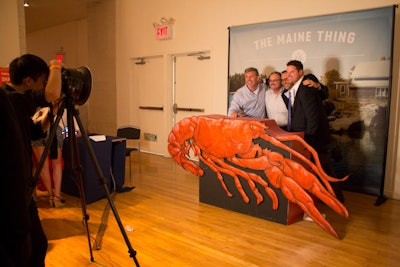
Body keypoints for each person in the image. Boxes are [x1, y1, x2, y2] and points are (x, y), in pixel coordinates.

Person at [0, 54, 62, 266]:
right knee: (24, 250)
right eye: (42, 80)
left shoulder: (15, 104)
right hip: (11, 195)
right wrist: (56, 65)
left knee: (38, 244)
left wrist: (53, 112)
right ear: (28, 81)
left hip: (23, 191)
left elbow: (35, 131)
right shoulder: (9, 99)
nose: (43, 85)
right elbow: (51, 93)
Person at [284, 60, 344, 202]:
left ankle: (338, 199)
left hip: (314, 139)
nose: (289, 74)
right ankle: (326, 198)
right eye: (287, 71)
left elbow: (313, 117)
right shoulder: (297, 88)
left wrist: (309, 140)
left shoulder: (306, 86)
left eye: (292, 71)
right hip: (306, 137)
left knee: (325, 169)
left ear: (300, 72)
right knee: (319, 170)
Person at [32, 108, 81, 208]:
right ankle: (56, 197)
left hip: (36, 128)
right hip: (54, 128)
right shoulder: (65, 107)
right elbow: (78, 132)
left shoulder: (37, 103)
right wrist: (65, 135)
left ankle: (50, 194)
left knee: (42, 164)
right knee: (56, 163)